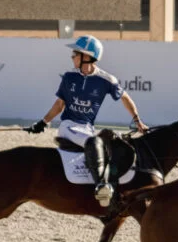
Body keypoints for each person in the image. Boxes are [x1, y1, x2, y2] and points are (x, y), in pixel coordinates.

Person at [25, 35, 148, 207]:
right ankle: (101, 186)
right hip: (68, 127)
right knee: (94, 142)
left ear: (87, 56)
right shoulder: (69, 77)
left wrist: (137, 120)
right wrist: (43, 122)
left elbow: (125, 98)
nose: (72, 57)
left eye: (75, 54)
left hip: (87, 128)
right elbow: (60, 105)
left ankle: (113, 183)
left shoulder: (106, 80)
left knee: (114, 140)